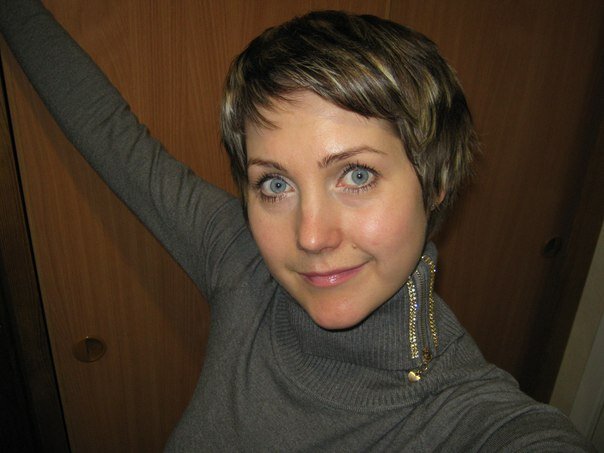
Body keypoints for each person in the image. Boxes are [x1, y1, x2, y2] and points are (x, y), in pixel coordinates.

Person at [0, 0, 593, 451]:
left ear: (436, 182)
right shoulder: (240, 258)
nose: (310, 237)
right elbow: (111, 135)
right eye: (276, 184)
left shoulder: (465, 418)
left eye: (356, 175)